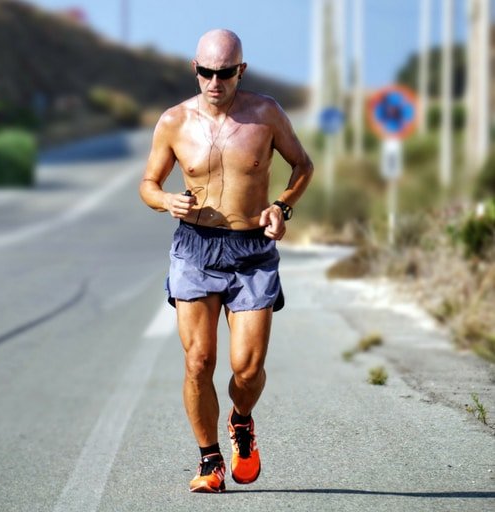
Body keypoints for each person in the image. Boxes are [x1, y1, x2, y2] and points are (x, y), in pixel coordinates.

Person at [138, 29, 313, 493]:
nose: (215, 82)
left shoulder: (266, 114)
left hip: (252, 250)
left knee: (247, 369)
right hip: (195, 247)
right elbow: (148, 183)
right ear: (194, 69)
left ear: (242, 70)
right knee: (198, 361)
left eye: (225, 73)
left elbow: (303, 165)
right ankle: (209, 460)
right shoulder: (174, 121)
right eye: (206, 72)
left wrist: (282, 206)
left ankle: (241, 420)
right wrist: (164, 201)